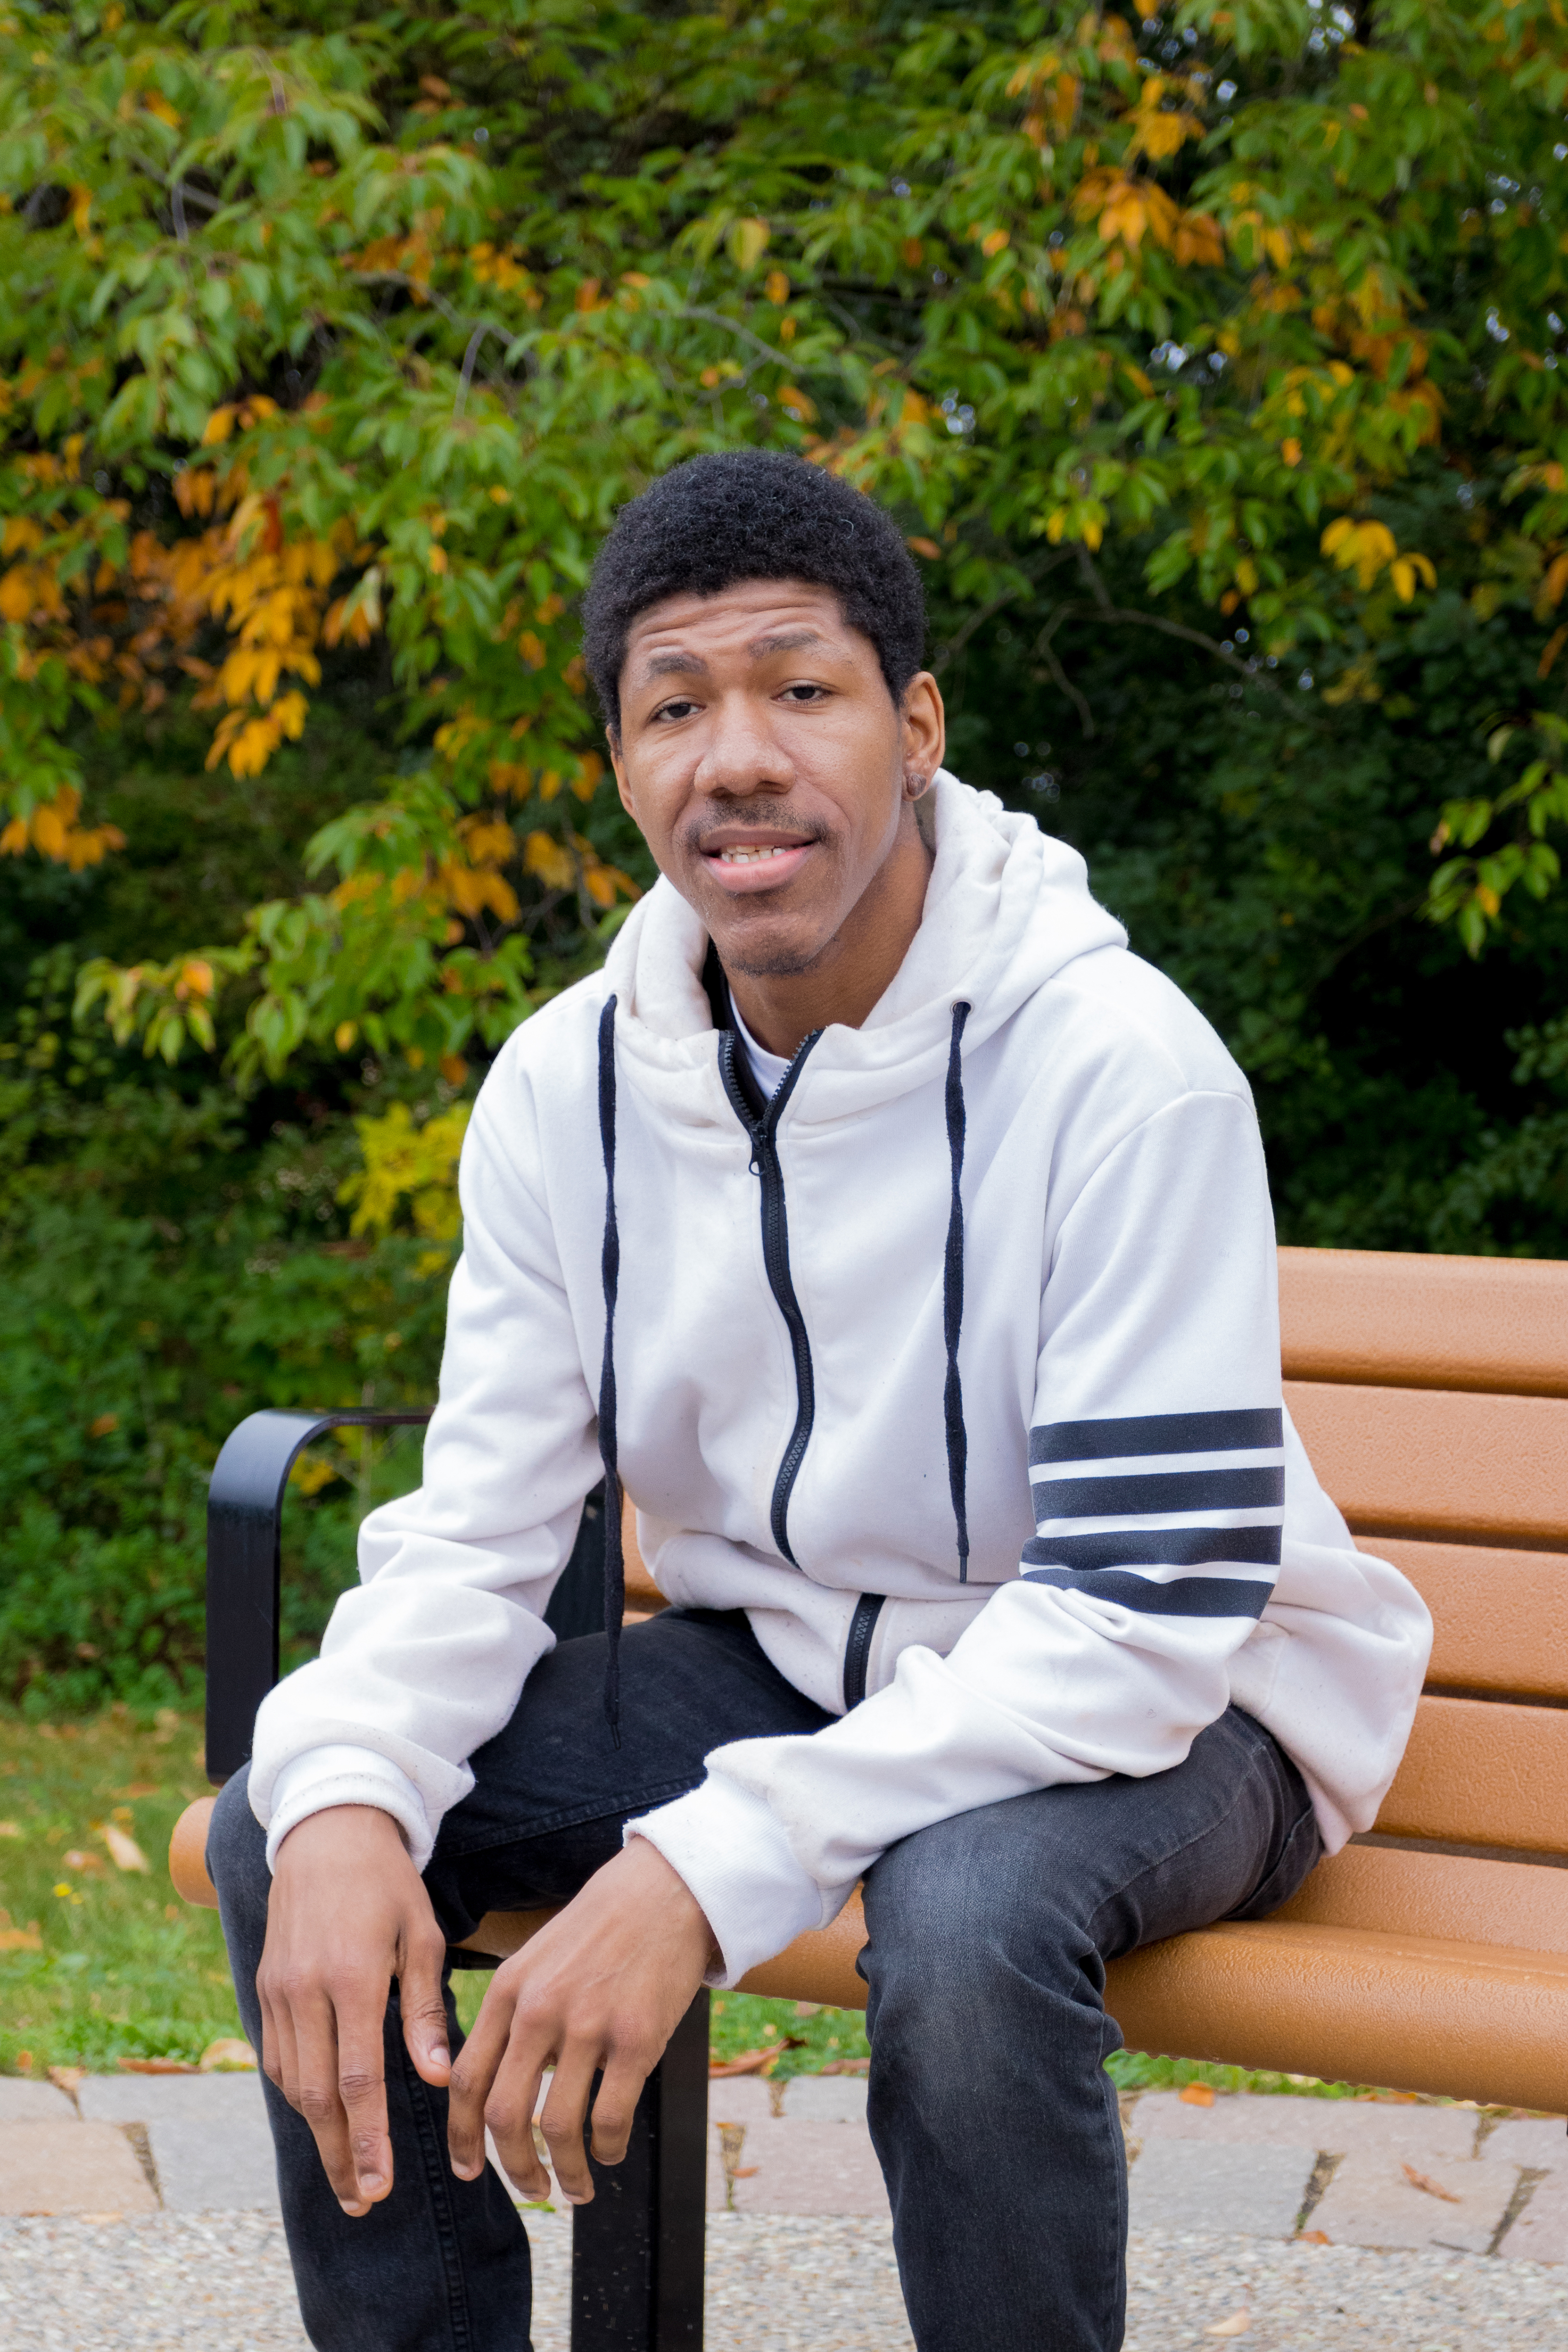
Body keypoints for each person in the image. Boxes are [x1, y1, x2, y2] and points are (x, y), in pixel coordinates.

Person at [208, 449, 1431, 2352]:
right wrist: (354, 1786)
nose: (736, 756)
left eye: (799, 688)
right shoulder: (565, 1092)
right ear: (620, 769)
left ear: (913, 724)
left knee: (958, 1926)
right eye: (673, 708)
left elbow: (1128, 1626)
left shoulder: (1120, 1071)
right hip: (797, 1661)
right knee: (301, 1818)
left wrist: (702, 1863)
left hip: (1187, 1698)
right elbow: (477, 1532)